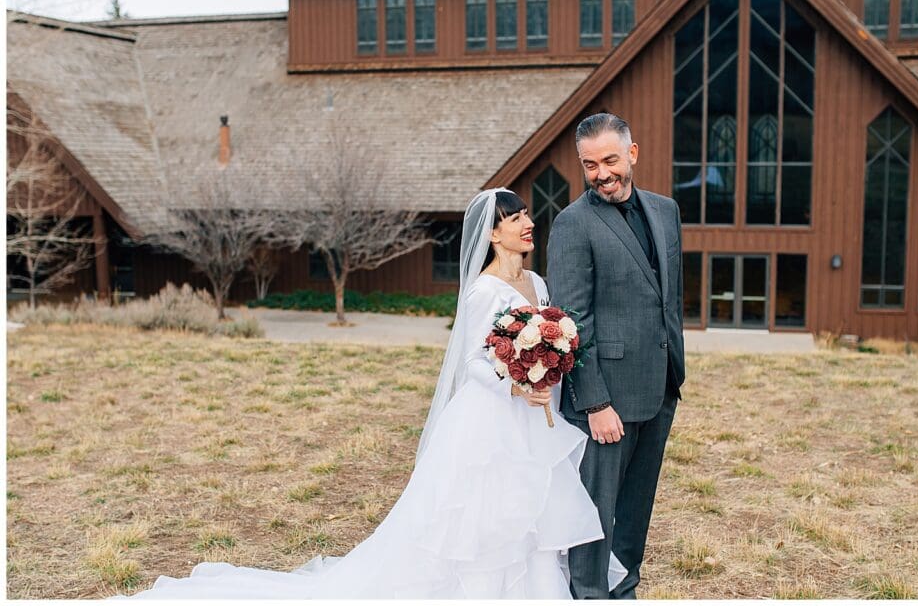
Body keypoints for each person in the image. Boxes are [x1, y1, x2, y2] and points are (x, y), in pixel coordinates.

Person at [121, 188, 625, 599]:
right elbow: (474, 361)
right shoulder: (484, 291)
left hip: (538, 416)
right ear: (493, 234)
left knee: (535, 508)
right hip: (495, 420)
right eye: (514, 218)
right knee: (489, 516)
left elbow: (553, 340)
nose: (526, 223)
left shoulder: (537, 281)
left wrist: (547, 372)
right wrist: (516, 384)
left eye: (524, 215)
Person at [547, 112, 686, 599]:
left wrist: (675, 374)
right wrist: (594, 404)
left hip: (660, 387)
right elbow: (571, 323)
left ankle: (624, 587)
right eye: (589, 165)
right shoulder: (571, 225)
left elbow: (670, 298)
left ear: (632, 153)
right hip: (604, 401)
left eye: (609, 160)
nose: (601, 173)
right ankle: (587, 594)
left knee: (636, 507)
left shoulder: (665, 211)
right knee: (593, 511)